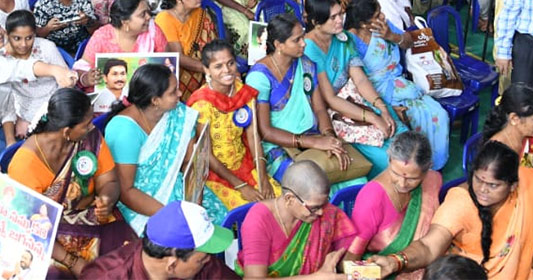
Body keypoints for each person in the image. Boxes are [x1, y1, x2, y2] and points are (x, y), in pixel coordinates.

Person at [7, 87, 135, 276]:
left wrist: (107, 199)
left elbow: (109, 180)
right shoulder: (24, 165)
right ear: (67, 131)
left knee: (129, 254)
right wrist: (72, 261)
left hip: (90, 217)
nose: (92, 127)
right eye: (86, 124)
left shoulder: (89, 138)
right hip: (48, 238)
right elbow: (30, 228)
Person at [368, 140, 533, 280]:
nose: (482, 190)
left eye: (493, 185)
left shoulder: (525, 190)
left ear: (512, 186)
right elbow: (428, 246)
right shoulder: (461, 201)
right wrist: (396, 261)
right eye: (479, 180)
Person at [247, 12, 371, 185]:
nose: (304, 43)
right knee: (312, 183)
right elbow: (265, 131)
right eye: (296, 40)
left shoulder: (305, 64)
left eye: (302, 37)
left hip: (312, 136)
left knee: (358, 180)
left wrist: (330, 138)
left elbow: (319, 109)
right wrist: (313, 142)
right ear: (278, 45)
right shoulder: (260, 76)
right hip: (279, 146)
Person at [0, 10, 78, 160]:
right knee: (23, 157)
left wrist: (10, 140)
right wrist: (54, 70)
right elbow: (20, 68)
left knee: (28, 148)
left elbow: (7, 105)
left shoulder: (0, 55)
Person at [345, 0, 450, 171]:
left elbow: (408, 41)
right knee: (417, 118)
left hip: (400, 84)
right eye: (377, 16)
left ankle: (433, 166)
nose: (382, 17)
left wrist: (391, 36)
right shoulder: (349, 41)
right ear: (363, 24)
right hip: (375, 92)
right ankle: (418, 165)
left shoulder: (383, 28)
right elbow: (356, 80)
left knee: (439, 114)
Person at [302, 0, 400, 174]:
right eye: (333, 17)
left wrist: (382, 108)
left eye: (341, 14)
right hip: (332, 111)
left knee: (399, 133)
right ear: (316, 23)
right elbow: (329, 99)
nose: (340, 20)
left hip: (353, 98)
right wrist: (373, 117)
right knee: (389, 158)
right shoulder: (309, 49)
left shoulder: (343, 38)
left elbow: (360, 79)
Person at [186, 39, 279, 222]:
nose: (227, 70)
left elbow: (253, 137)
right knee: (247, 213)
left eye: (230, 63)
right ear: (206, 70)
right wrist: (241, 186)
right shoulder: (202, 103)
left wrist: (263, 177)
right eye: (218, 66)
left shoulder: (243, 92)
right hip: (216, 173)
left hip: (244, 163)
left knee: (276, 198)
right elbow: (206, 154)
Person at [105, 63, 200, 235]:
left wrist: (194, 197)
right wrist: (173, 216)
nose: (180, 94)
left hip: (178, 187)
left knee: (213, 219)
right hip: (141, 204)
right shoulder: (124, 131)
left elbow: (189, 160)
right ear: (155, 101)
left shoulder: (175, 113)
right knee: (182, 237)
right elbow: (126, 192)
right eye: (173, 92)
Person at [345, 132, 442, 280]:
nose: (402, 184)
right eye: (396, 173)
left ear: (427, 168)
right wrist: (376, 272)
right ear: (389, 160)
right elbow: (349, 263)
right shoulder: (373, 197)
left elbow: (435, 238)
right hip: (379, 271)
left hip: (421, 260)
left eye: (412, 178)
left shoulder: (432, 181)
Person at [239, 160, 355, 279]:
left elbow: (345, 257)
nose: (320, 212)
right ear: (290, 199)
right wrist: (315, 278)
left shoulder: (327, 213)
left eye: (323, 204)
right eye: (315, 208)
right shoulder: (258, 221)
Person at [79, 199, 233, 280]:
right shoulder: (105, 277)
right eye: (202, 260)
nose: (208, 261)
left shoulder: (199, 259)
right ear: (172, 265)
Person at [155, 0, 218, 100]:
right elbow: (178, 58)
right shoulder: (165, 19)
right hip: (182, 75)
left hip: (206, 68)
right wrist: (210, 70)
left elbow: (214, 46)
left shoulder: (200, 13)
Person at [76, 0, 171, 75]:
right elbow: (82, 69)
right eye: (143, 15)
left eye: (148, 12)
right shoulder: (102, 37)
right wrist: (87, 78)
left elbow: (167, 64)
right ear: (125, 22)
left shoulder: (153, 31)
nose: (149, 17)